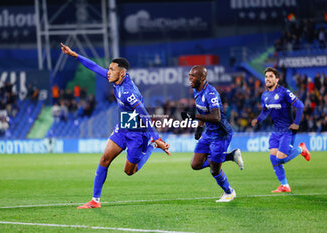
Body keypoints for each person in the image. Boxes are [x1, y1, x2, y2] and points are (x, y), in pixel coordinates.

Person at [60, 43, 170, 209]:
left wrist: (157, 138)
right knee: (105, 159)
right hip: (123, 127)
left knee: (129, 171)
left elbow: (144, 114)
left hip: (137, 133)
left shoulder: (129, 92)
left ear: (122, 73)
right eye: (109, 69)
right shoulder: (116, 80)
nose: (108, 72)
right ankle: (95, 201)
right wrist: (75, 55)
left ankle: (150, 146)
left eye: (111, 69)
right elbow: (94, 67)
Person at [181, 65, 243, 202]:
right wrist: (200, 128)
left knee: (215, 170)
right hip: (208, 133)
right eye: (189, 75)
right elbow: (203, 112)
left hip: (221, 135)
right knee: (195, 165)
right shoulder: (195, 90)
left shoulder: (211, 93)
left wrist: (193, 116)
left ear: (202, 78)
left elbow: (216, 117)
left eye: (193, 76)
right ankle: (230, 156)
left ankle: (229, 192)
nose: (190, 78)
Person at [251, 67, 310, 193]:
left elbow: (300, 105)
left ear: (277, 79)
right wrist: (258, 119)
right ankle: (285, 186)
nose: (268, 79)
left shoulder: (284, 92)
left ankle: (301, 149)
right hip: (275, 130)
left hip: (287, 130)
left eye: (271, 76)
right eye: (266, 76)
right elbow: (265, 111)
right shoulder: (265, 95)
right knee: (273, 158)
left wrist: (296, 123)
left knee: (281, 159)